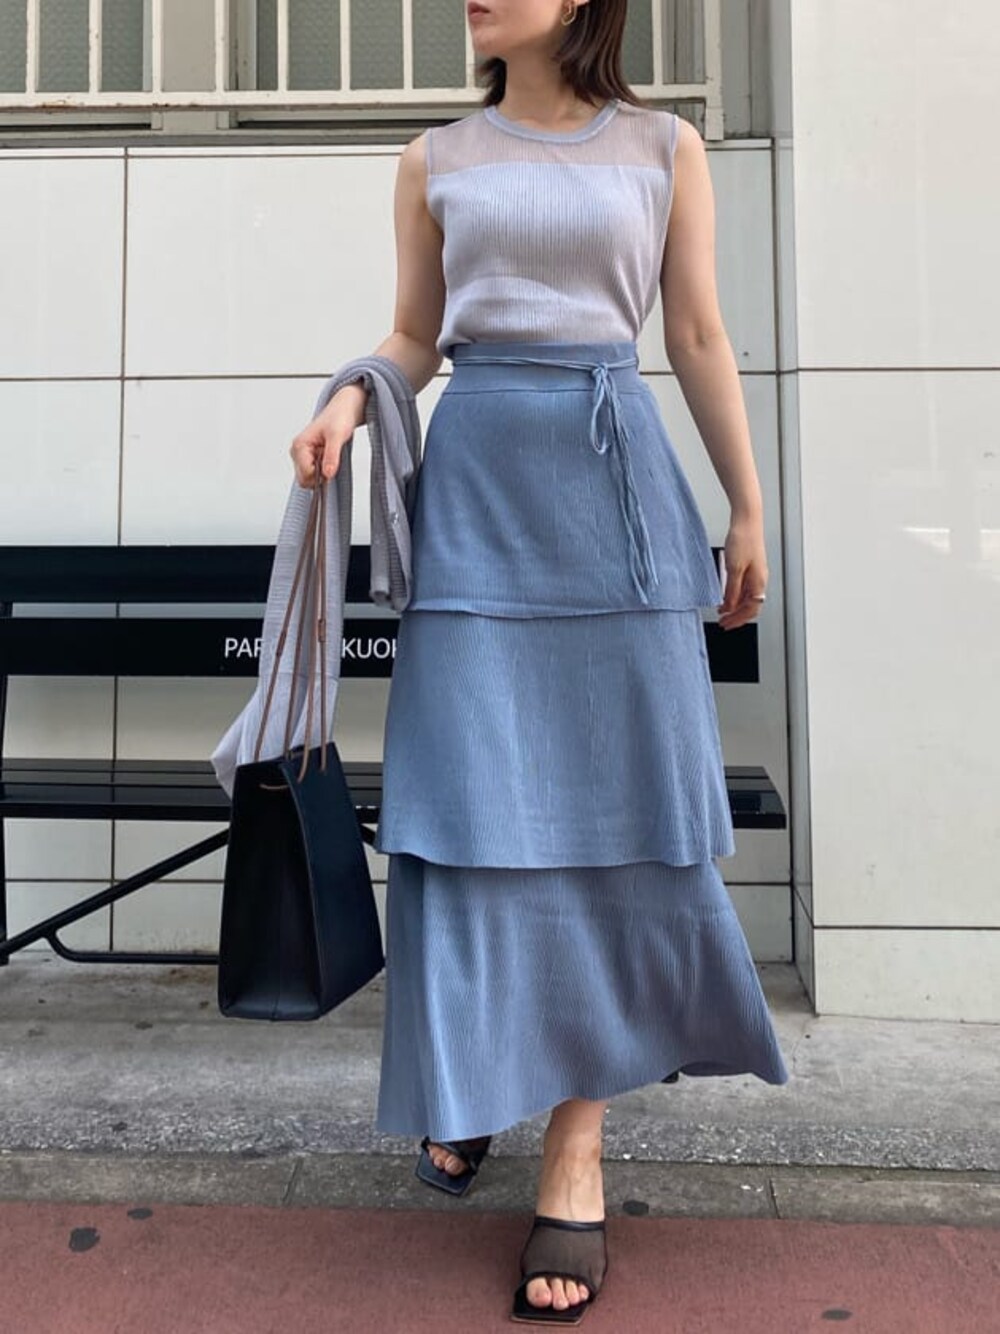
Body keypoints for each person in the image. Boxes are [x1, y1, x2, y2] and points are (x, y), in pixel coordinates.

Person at [289, 0, 789, 1323]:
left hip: (615, 501)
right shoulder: (433, 158)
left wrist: (745, 504)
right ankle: (473, 1070)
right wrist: (350, 393)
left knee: (616, 817)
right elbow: (416, 334)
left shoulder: (664, 147)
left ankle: (577, 1138)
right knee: (470, 812)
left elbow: (695, 333)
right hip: (479, 499)